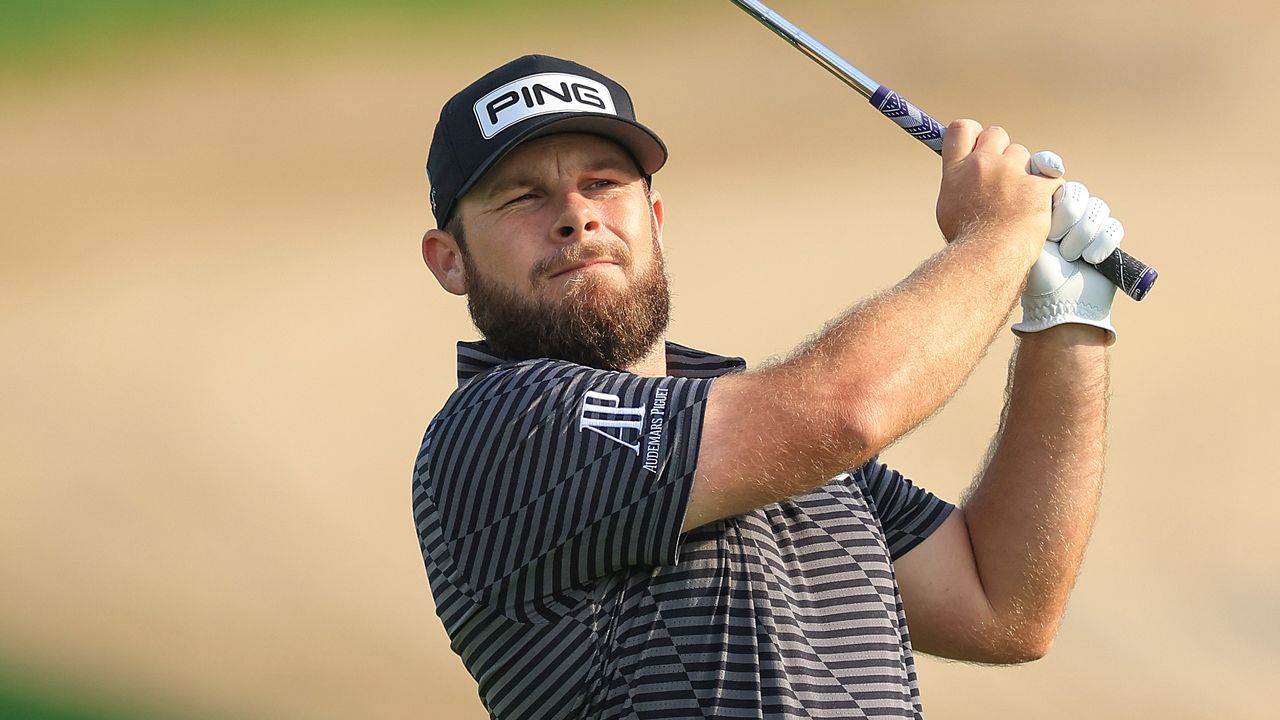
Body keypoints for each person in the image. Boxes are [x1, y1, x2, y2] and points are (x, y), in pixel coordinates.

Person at [413, 54, 1122, 720]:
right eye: (523, 196)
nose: (576, 214)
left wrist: (1065, 323)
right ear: (451, 262)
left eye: (602, 183)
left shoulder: (765, 430)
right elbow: (849, 411)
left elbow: (1004, 604)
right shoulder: (500, 431)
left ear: (655, 222)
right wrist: (997, 237)